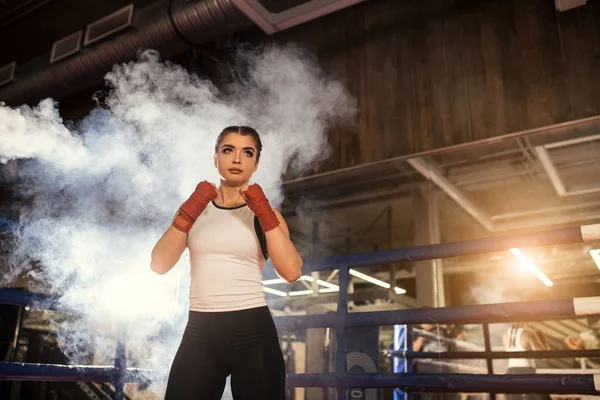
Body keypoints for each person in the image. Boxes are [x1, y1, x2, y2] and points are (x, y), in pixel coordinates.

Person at [150, 126, 303, 400]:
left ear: (256, 164)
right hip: (200, 332)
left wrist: (265, 214)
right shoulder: (195, 209)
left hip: (252, 331)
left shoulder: (266, 214)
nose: (236, 159)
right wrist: (187, 213)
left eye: (247, 153)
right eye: (228, 150)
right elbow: (159, 264)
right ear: (215, 158)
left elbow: (292, 271)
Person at [503, 323, 550, 400]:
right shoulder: (527, 333)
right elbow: (545, 357)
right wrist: (544, 342)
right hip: (526, 372)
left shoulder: (505, 334)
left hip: (510, 373)